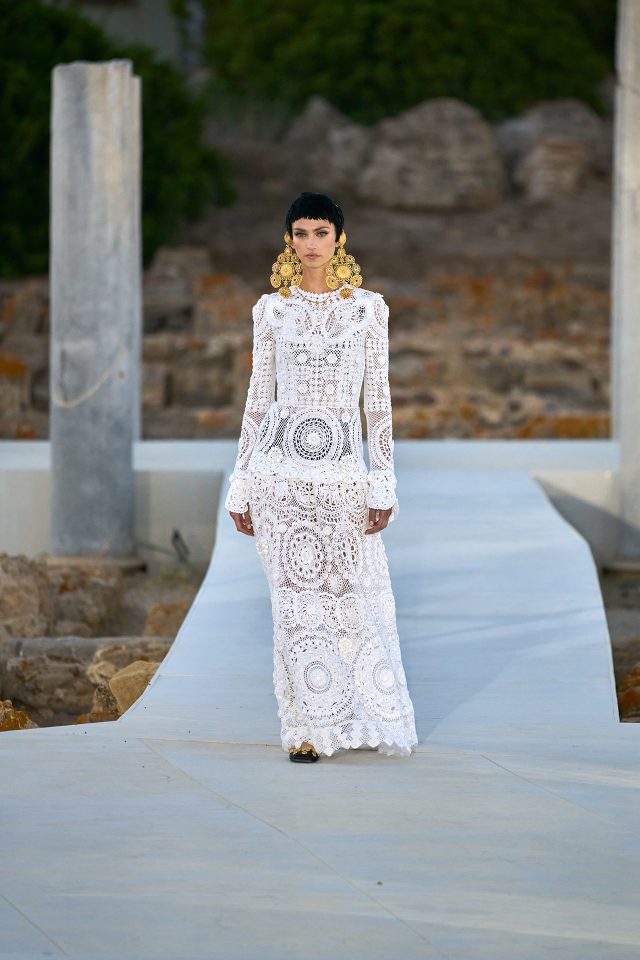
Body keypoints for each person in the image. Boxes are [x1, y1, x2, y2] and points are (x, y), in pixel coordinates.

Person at [224, 192, 418, 762]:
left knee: (348, 599)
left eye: (321, 233)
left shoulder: (368, 310)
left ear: (339, 239)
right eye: (301, 233)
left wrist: (383, 480)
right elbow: (257, 399)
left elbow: (377, 402)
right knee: (292, 605)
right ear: (289, 240)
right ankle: (306, 729)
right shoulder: (271, 311)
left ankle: (356, 714)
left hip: (341, 476)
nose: (311, 244)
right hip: (277, 476)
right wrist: (240, 480)